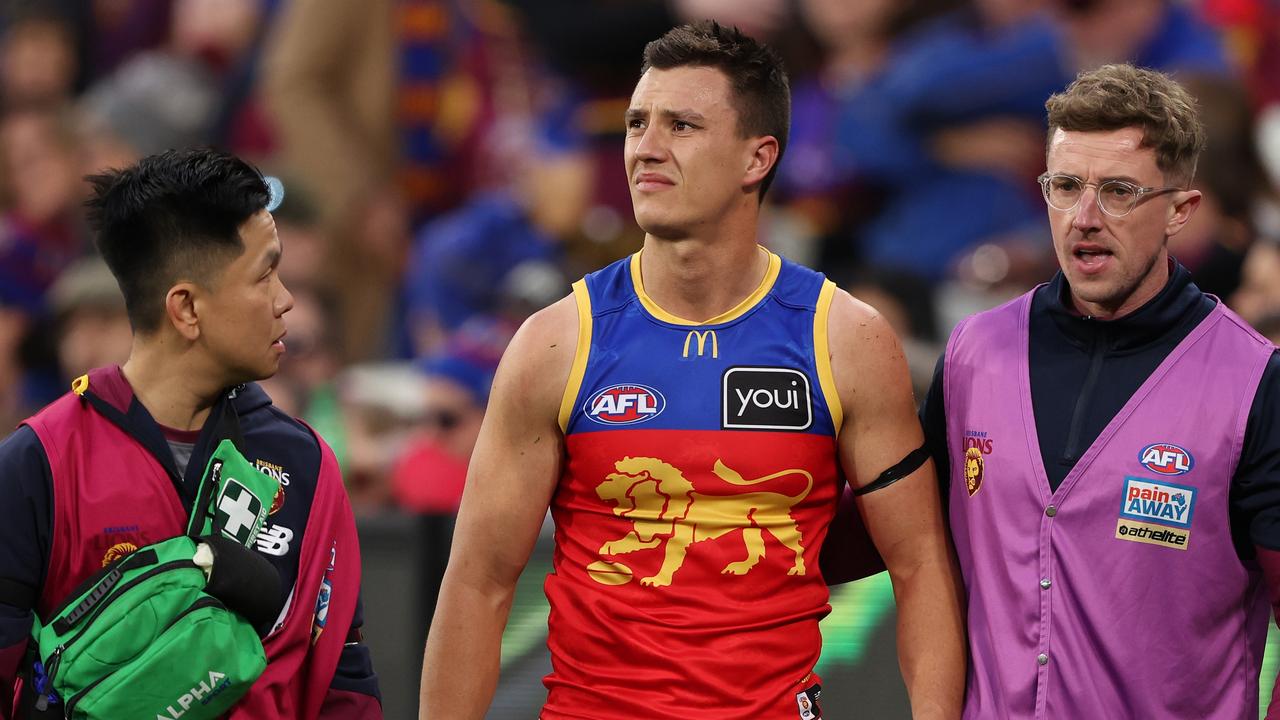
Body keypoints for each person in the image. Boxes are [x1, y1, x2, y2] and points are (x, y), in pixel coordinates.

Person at [421, 21, 965, 719]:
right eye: (636, 124)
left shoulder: (846, 340)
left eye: (681, 126)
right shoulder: (555, 344)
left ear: (756, 158)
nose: (645, 149)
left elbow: (921, 567)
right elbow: (478, 584)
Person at [920, 63, 1280, 718]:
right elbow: (910, 552)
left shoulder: (1256, 382)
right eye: (1064, 187)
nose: (1084, 217)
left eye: (1117, 191)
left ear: (1181, 209)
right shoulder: (974, 353)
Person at [0, 148, 382, 719]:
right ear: (186, 309)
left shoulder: (306, 463)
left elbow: (343, 684)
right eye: (264, 274)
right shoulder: (37, 465)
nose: (286, 300)